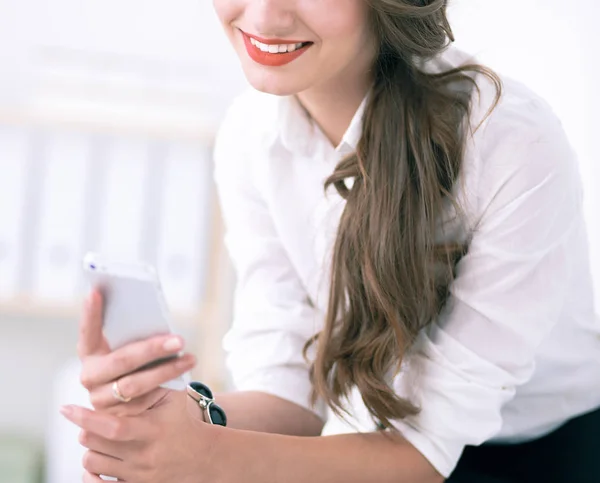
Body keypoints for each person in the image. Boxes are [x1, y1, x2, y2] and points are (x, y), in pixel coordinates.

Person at [60, 1, 600, 482]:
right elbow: (289, 390)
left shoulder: (506, 142)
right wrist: (184, 416)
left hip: (550, 447)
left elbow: (423, 452)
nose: (265, 16)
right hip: (381, 451)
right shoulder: (251, 136)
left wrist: (205, 456)